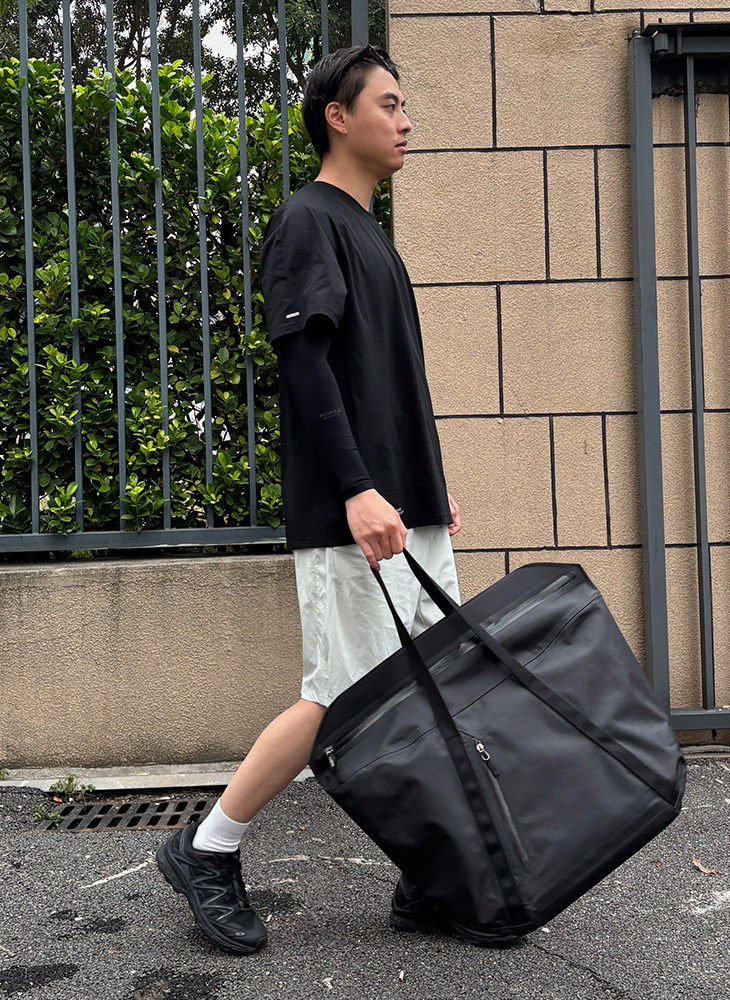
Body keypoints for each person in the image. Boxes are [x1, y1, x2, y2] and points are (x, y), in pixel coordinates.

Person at [156, 43, 462, 955]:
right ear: (338, 115)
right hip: (354, 513)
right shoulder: (307, 221)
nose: (405, 121)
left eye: (404, 105)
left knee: (430, 688)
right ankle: (206, 849)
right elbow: (306, 370)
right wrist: (360, 489)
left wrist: (429, 493)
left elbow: (388, 387)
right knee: (338, 697)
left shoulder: (370, 232)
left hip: (403, 507)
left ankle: (427, 879)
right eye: (389, 104)